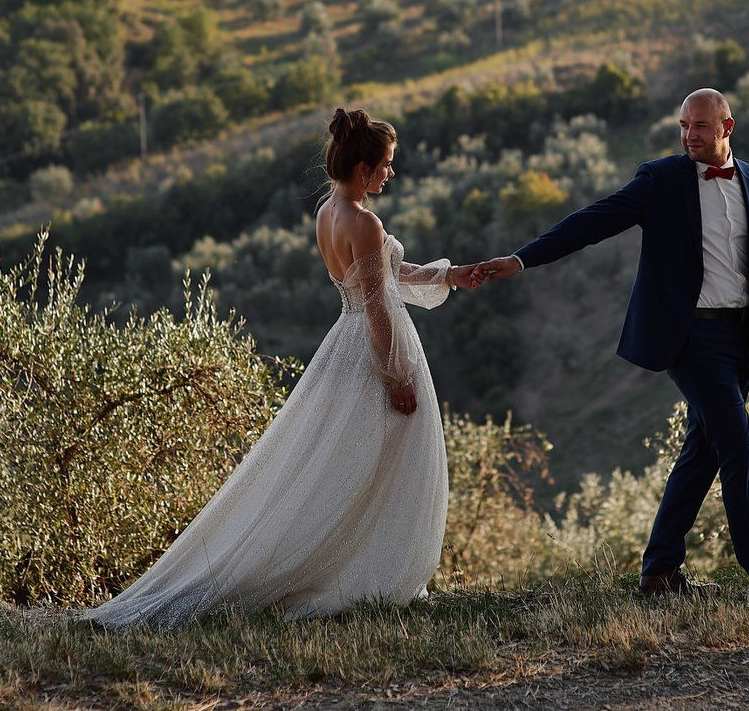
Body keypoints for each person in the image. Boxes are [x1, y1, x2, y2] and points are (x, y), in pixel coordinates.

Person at [81, 107, 478, 629]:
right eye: (385, 164)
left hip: (345, 342)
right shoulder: (364, 221)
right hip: (373, 347)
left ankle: (373, 572)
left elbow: (381, 274)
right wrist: (397, 376)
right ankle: (378, 577)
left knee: (352, 463)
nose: (390, 173)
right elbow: (379, 307)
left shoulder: (327, 213)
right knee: (395, 458)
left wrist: (449, 276)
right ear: (363, 168)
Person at [473, 88, 749, 607]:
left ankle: (660, 571)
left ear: (727, 127)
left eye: (700, 126)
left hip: (737, 337)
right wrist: (521, 259)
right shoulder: (661, 179)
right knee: (737, 445)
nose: (689, 135)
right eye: (683, 126)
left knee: (704, 453)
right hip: (688, 338)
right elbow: (592, 221)